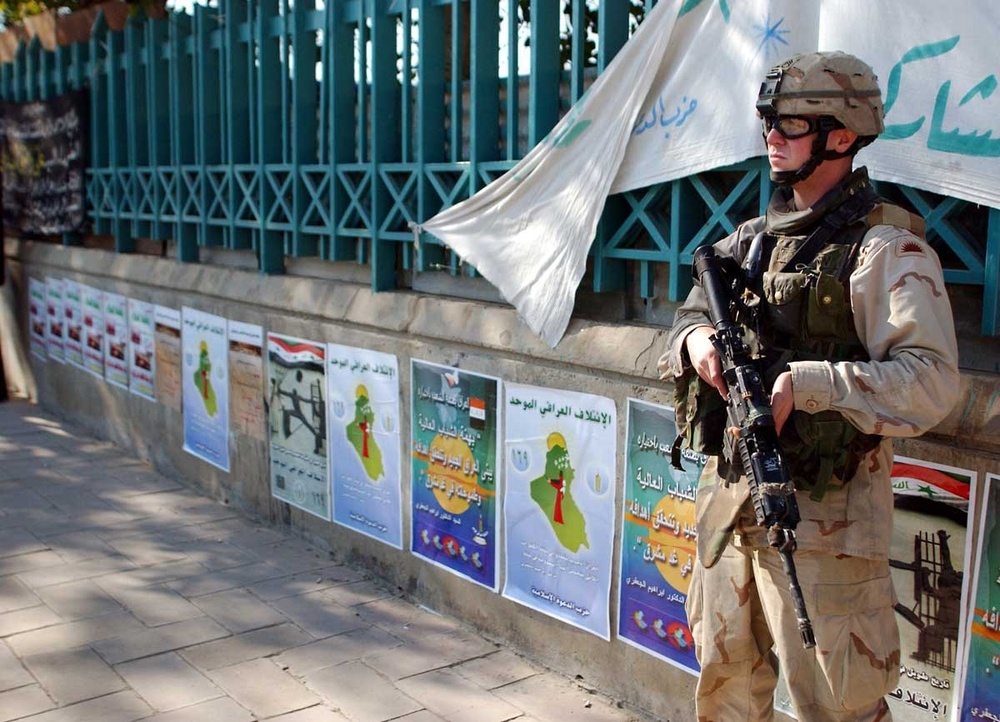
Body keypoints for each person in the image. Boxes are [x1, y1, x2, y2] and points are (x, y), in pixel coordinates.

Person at [659, 51, 960, 721]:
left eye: (789, 126)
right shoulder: (750, 242)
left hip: (826, 532)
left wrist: (812, 383)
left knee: (835, 707)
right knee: (726, 691)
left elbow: (933, 383)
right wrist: (696, 343)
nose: (771, 138)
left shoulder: (885, 251)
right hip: (732, 510)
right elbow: (684, 316)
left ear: (842, 135)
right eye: (769, 123)